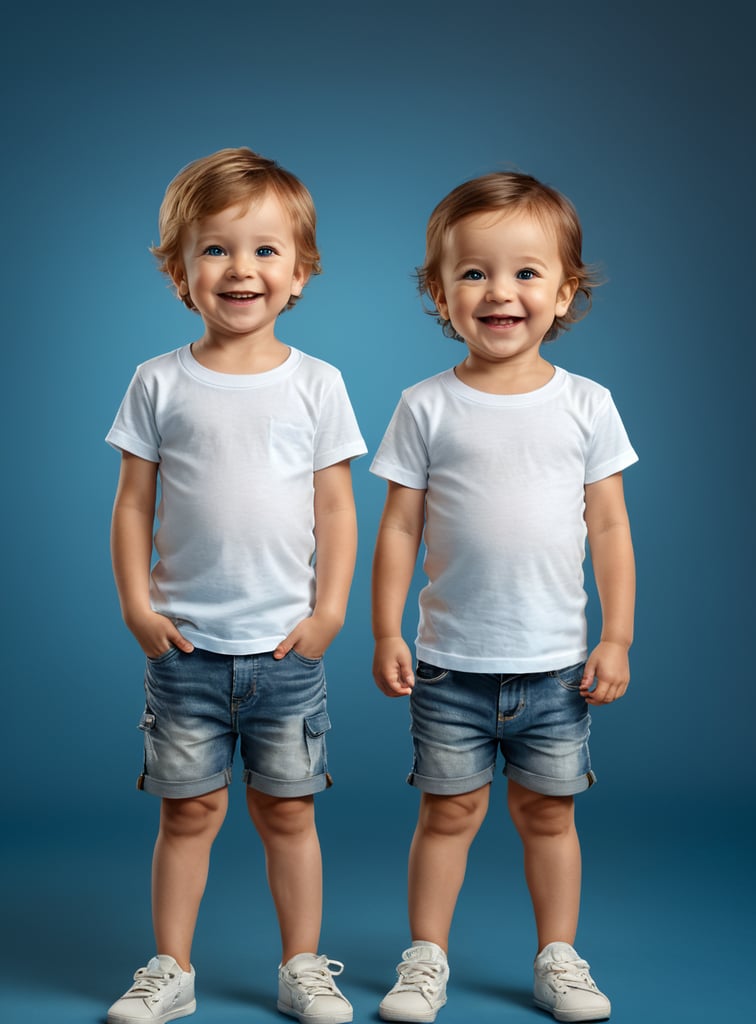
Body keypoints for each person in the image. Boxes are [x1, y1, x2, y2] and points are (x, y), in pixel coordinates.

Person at [105, 148, 366, 1024]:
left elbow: (337, 507)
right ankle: (170, 970)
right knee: (188, 816)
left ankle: (301, 967)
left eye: (264, 251)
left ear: (299, 272)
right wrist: (137, 606)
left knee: (289, 817)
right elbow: (133, 503)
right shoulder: (158, 381)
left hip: (285, 651)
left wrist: (331, 611)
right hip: (185, 650)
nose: (240, 269)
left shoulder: (317, 384)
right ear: (179, 270)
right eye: (215, 250)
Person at [370, 171, 637, 1023]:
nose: (500, 292)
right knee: (447, 815)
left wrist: (617, 637)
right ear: (441, 292)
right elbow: (399, 531)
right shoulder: (425, 406)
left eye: (526, 273)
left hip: (556, 667)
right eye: (474, 273)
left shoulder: (585, 406)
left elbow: (608, 532)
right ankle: (425, 959)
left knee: (547, 817)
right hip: (451, 664)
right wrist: (385, 630)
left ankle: (557, 955)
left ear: (563, 292)